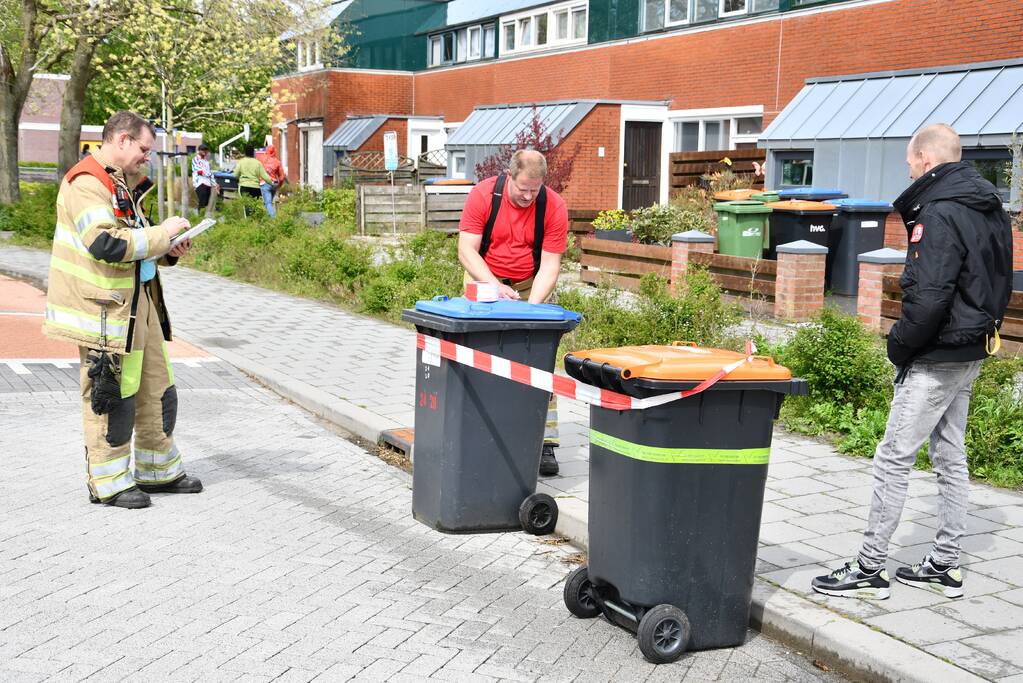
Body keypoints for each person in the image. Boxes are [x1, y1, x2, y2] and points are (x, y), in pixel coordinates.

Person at [811, 124, 1012, 600]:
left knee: (893, 458)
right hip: (971, 348)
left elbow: (929, 294)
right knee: (949, 455)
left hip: (937, 353)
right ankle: (945, 564)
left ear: (924, 158)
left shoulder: (939, 212)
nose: (907, 167)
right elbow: (1000, 279)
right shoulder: (990, 207)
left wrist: (899, 344)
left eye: (908, 161)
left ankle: (870, 568)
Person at [43, 110, 204, 509]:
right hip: (104, 313)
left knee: (155, 388)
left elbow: (139, 244)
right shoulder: (87, 183)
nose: (147, 158)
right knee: (110, 395)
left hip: (137, 307)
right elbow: (107, 245)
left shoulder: (123, 185)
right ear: (120, 140)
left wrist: (169, 248)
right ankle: (109, 482)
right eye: (144, 149)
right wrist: (160, 234)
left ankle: (157, 471)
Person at [457, 149, 569, 476]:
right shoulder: (483, 195)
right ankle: (480, 429)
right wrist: (493, 285)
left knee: (539, 362)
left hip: (530, 284)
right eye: (522, 188)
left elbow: (551, 265)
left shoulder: (552, 207)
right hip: (484, 278)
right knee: (479, 355)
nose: (527, 196)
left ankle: (544, 444)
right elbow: (466, 250)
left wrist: (531, 313)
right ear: (509, 175)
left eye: (534, 190)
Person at [235, 144, 273, 214]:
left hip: (244, 187)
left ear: (245, 152)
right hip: (256, 188)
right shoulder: (258, 163)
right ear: (253, 152)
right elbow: (265, 176)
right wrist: (272, 183)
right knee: (255, 208)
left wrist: (239, 179)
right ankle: (255, 222)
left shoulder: (241, 162)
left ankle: (248, 223)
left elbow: (235, 174)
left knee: (247, 208)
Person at [259, 144, 287, 218]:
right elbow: (282, 177)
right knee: (269, 203)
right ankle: (268, 221)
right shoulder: (277, 162)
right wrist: (279, 186)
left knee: (268, 203)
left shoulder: (262, 160)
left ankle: (274, 220)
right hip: (274, 184)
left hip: (265, 183)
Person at [191, 143, 218, 214]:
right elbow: (199, 171)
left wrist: (215, 184)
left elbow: (210, 174)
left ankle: (202, 219)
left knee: (206, 203)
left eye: (206, 150)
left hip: (208, 184)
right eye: (202, 149)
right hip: (200, 183)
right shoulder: (195, 159)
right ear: (199, 150)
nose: (204, 151)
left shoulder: (206, 162)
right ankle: (199, 219)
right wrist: (209, 174)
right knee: (202, 203)